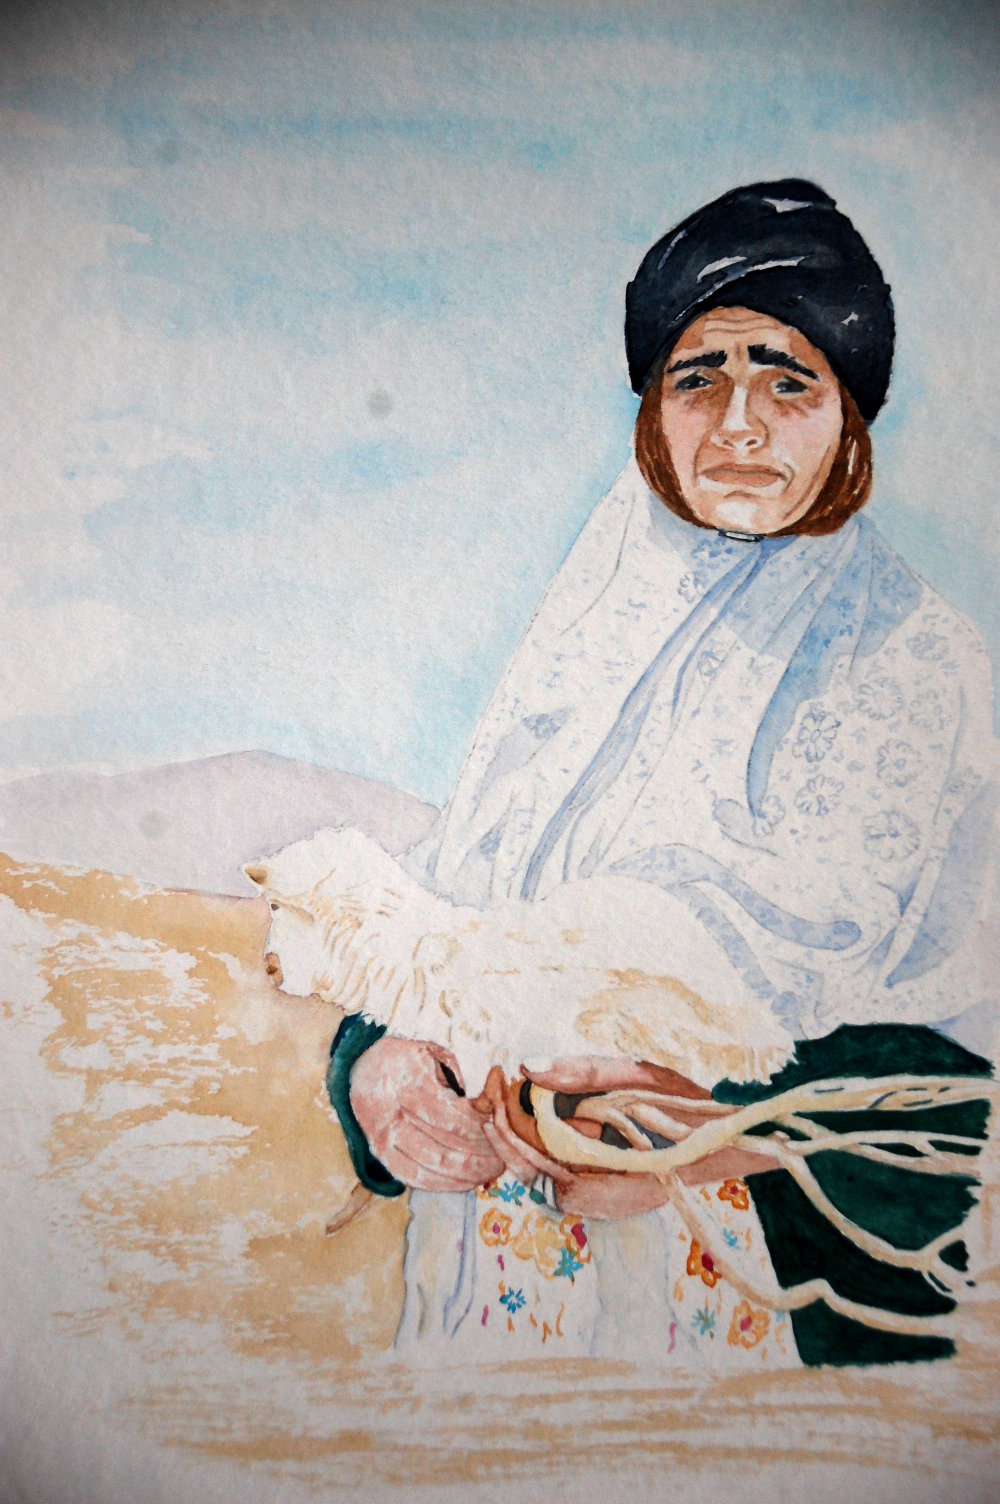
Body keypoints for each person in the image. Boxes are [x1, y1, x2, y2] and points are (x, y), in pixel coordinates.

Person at [328, 180, 998, 1367]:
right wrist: (375, 1074)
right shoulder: (590, 630)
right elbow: (452, 918)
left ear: (848, 416)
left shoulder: (919, 671)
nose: (738, 423)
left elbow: (957, 1071)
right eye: (698, 378)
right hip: (501, 1272)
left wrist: (714, 1134)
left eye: (786, 381)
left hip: (759, 1299)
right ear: (652, 410)